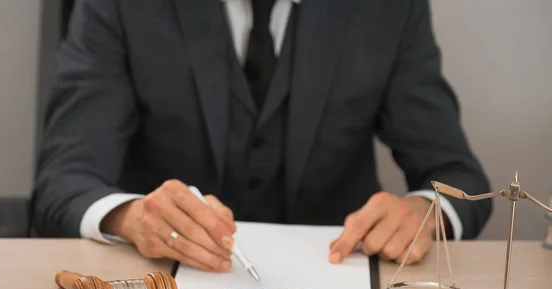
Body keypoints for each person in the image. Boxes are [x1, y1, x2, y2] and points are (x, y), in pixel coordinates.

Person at [32, 0, 492, 273]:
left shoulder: (388, 9)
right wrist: (130, 217)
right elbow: (65, 179)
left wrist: (424, 212)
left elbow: (458, 176)